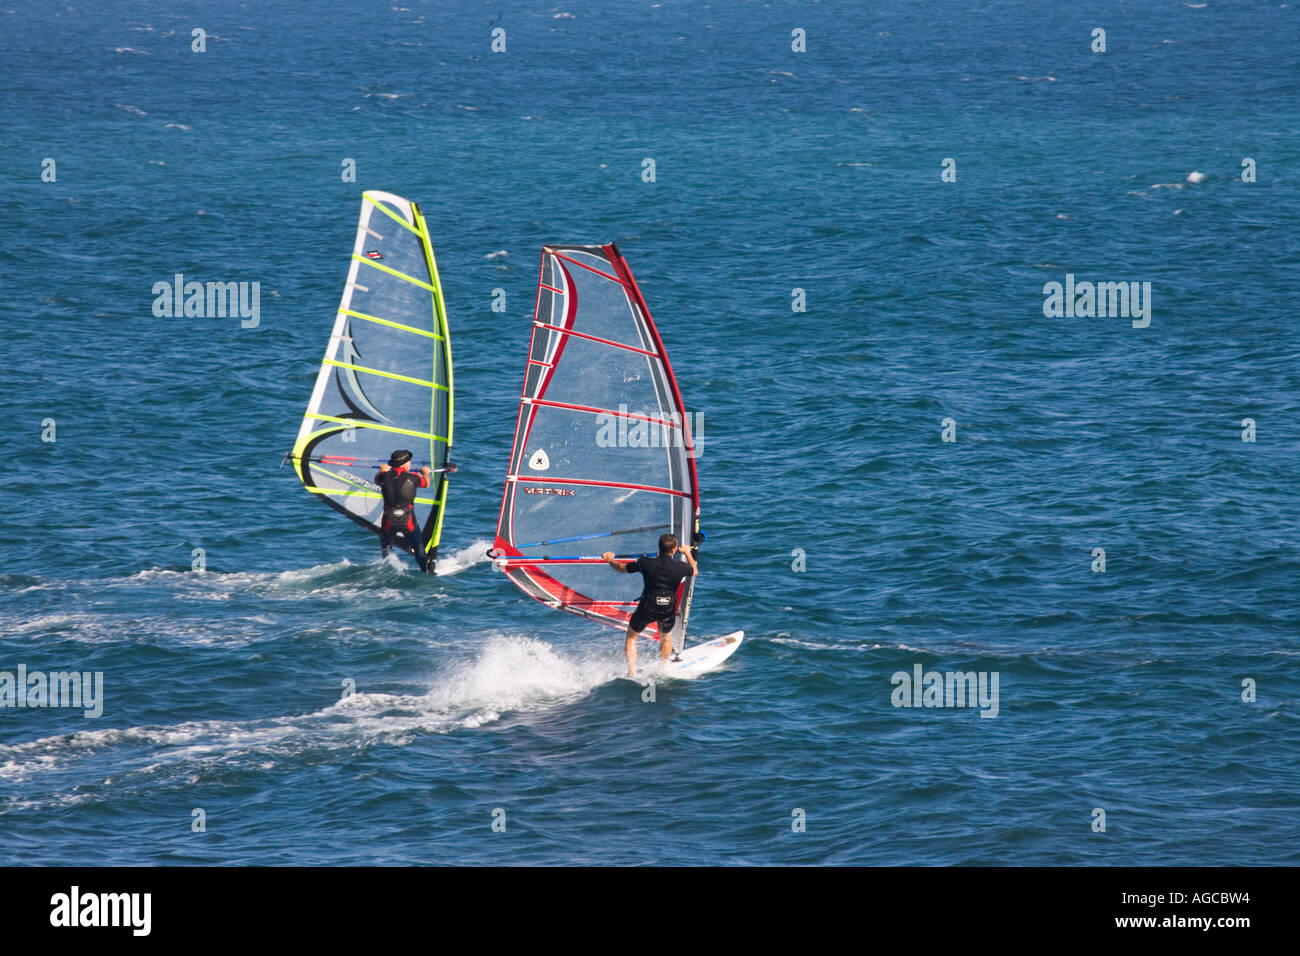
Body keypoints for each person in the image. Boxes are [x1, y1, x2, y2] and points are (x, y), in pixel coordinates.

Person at [602, 533, 697, 677]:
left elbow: (621, 568)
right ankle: (663, 668)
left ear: (659, 547)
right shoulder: (681, 567)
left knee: (632, 637)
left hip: (648, 606)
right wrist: (687, 553)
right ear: (673, 550)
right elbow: (694, 571)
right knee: (666, 636)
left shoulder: (645, 562)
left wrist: (609, 560)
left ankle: (631, 672)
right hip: (668, 607)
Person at [375, 449, 432, 573]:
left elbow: (377, 480)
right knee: (419, 546)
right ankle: (425, 570)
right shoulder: (414, 478)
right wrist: (426, 472)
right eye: (409, 462)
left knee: (386, 546)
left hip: (388, 520)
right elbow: (426, 483)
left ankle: (390, 569)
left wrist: (382, 470)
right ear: (405, 464)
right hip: (408, 521)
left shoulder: (383, 477)